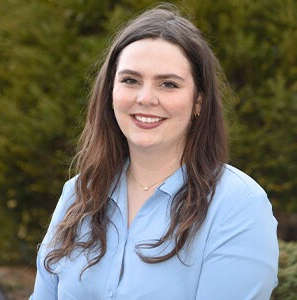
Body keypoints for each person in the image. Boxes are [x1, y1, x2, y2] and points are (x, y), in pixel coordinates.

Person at [30, 4, 278, 300]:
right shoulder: (78, 193)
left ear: (198, 101)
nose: (146, 98)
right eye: (130, 80)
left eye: (168, 84)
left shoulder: (238, 205)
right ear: (111, 92)